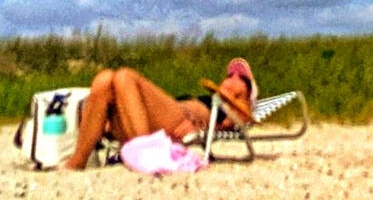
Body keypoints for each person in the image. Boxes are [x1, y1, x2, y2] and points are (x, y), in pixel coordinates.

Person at [61, 57, 257, 170]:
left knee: (124, 76)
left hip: (177, 122)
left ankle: (145, 154)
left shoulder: (229, 110)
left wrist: (202, 122)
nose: (232, 77)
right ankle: (77, 161)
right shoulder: (210, 99)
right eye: (230, 75)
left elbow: (244, 119)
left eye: (240, 78)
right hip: (153, 123)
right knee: (104, 79)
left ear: (247, 96)